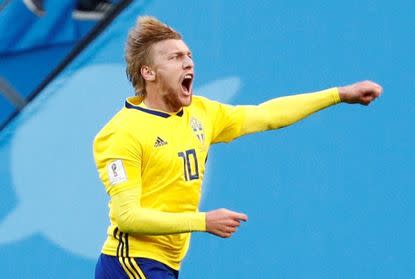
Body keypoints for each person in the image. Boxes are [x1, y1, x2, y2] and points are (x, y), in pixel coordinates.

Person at [93, 16, 382, 279]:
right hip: (130, 262)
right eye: (175, 57)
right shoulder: (122, 133)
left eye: (189, 55)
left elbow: (266, 116)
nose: (189, 62)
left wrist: (339, 94)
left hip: (165, 263)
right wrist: (204, 221)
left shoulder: (202, 114)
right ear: (149, 72)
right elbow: (126, 216)